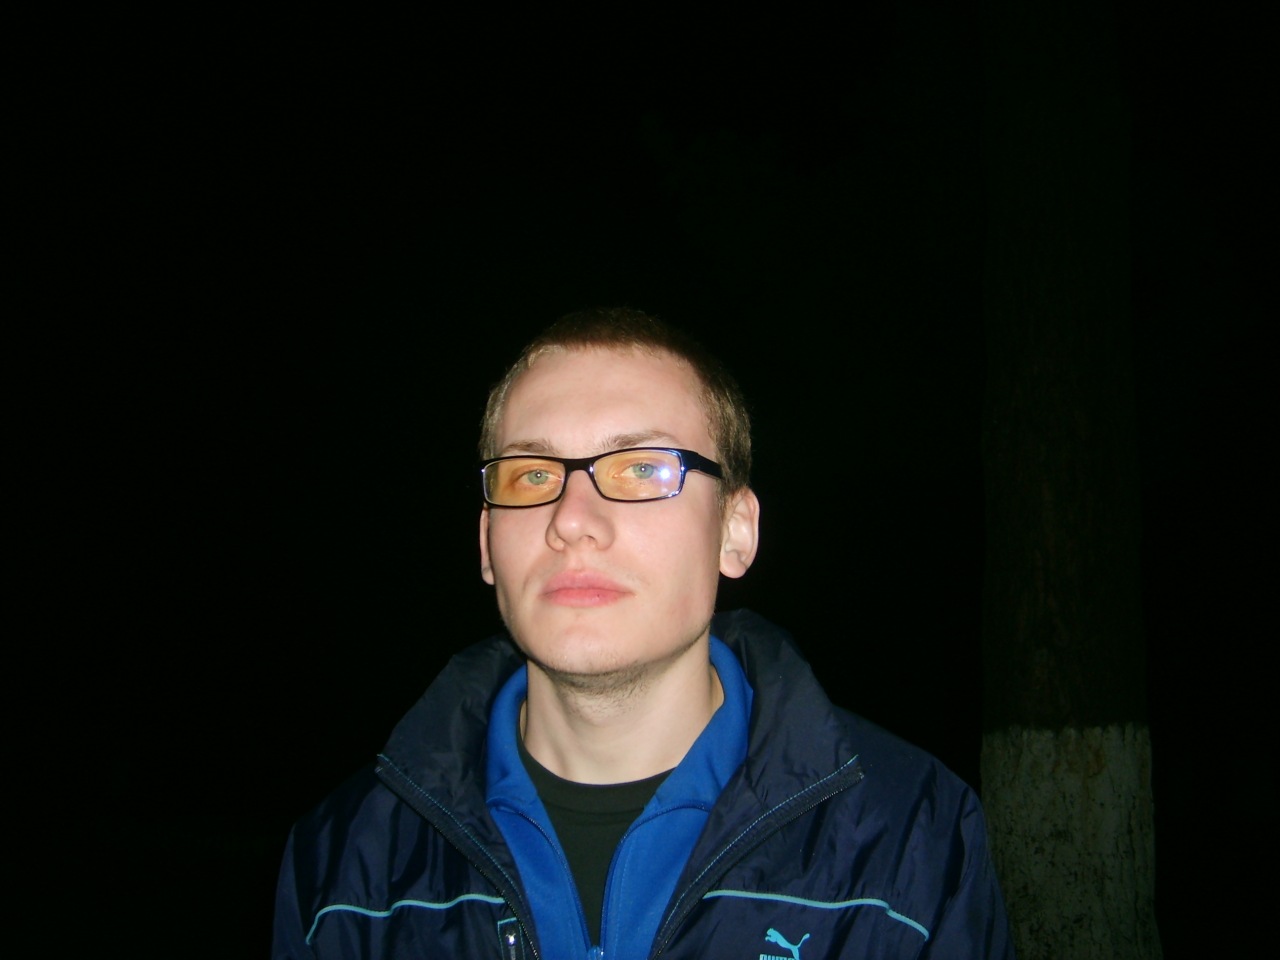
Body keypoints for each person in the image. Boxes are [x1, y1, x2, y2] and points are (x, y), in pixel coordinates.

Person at [272, 307, 1016, 959]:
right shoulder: (345, 869)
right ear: (486, 543)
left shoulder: (912, 840)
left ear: (735, 531)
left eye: (641, 469)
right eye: (531, 475)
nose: (571, 520)